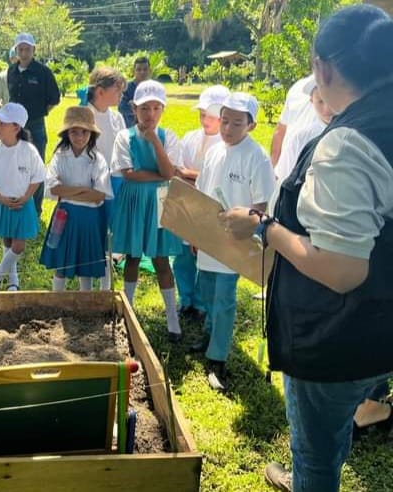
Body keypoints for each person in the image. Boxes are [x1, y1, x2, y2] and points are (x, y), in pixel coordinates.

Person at [220, 5, 393, 490]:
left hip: (337, 334)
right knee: (335, 425)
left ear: (323, 68)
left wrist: (264, 228)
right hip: (380, 326)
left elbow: (341, 269)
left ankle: (310, 478)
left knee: (317, 449)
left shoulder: (348, 144)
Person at [192, 92, 275, 390]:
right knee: (207, 290)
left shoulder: (257, 157)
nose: (227, 128)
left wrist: (246, 228)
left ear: (251, 125)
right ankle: (210, 335)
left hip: (235, 242)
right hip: (209, 237)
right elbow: (201, 195)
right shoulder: (215, 151)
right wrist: (196, 234)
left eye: (236, 123)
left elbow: (262, 206)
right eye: (224, 121)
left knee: (224, 298)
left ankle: (218, 359)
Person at [110, 80, 183, 341]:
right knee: (131, 255)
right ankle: (127, 309)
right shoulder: (124, 137)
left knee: (161, 259)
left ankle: (172, 318)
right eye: (144, 109)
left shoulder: (168, 137)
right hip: (134, 202)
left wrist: (155, 143)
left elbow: (169, 171)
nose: (149, 114)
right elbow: (129, 174)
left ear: (162, 109)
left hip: (160, 202)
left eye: (155, 108)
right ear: (134, 108)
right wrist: (162, 175)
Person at [173, 84, 230, 321]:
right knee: (183, 254)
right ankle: (185, 299)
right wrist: (187, 173)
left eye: (212, 116)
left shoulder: (225, 143)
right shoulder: (190, 138)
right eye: (203, 114)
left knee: (204, 257)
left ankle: (202, 303)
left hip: (210, 206)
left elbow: (214, 176)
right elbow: (178, 169)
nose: (206, 120)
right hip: (186, 203)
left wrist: (190, 172)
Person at [40, 106, 112, 291]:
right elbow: (53, 188)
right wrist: (82, 190)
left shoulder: (97, 159)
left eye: (84, 132)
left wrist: (68, 191)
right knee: (61, 263)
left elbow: (99, 195)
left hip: (90, 218)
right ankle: (58, 301)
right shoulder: (60, 157)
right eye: (74, 132)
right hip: (65, 215)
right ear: (66, 133)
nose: (79, 137)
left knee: (85, 265)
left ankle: (84, 304)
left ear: (91, 133)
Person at [0, 103, 45, 291]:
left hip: (22, 203)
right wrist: (0, 198)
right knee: (7, 240)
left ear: (16, 127)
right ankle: (13, 280)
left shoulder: (29, 150)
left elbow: (38, 176)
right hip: (2, 202)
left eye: (2, 123)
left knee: (18, 245)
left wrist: (26, 197)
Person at [7, 32, 61, 216]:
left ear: (33, 50)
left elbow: (54, 98)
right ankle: (17, 203)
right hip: (15, 128)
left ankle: (35, 210)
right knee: (15, 165)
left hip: (36, 126)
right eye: (20, 49)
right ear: (16, 50)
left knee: (36, 168)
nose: (24, 53)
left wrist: (41, 112)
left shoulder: (43, 72)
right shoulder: (11, 71)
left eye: (27, 49)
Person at [86, 66, 127, 290]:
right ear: (100, 91)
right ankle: (89, 276)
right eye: (117, 89)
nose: (120, 94)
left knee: (110, 229)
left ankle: (106, 280)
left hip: (116, 179)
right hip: (92, 182)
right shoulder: (84, 115)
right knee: (95, 229)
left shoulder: (117, 117)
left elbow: (123, 147)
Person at [274, 78, 333, 182]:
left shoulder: (354, 132)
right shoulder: (301, 137)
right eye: (320, 101)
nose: (327, 108)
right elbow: (284, 179)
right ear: (311, 100)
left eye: (332, 99)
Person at [269, 74, 318, 166]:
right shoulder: (298, 87)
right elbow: (281, 129)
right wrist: (273, 166)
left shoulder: (347, 89)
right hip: (285, 170)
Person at [118, 57, 151, 128]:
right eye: (138, 69)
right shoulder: (127, 87)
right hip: (130, 129)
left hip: (149, 129)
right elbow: (121, 108)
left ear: (150, 71)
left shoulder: (152, 88)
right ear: (134, 71)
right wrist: (143, 108)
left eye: (145, 69)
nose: (142, 72)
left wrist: (135, 106)